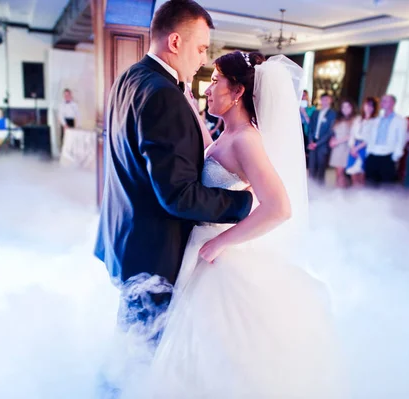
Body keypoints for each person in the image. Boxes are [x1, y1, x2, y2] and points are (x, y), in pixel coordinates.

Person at [140, 51, 344, 399]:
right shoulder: (229, 133)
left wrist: (222, 243)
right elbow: (214, 155)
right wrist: (189, 104)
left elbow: (279, 207)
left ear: (236, 93)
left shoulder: (248, 140)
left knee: (215, 351)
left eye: (215, 80)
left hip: (218, 253)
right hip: (200, 246)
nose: (208, 88)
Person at [94, 0, 253, 342]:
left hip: (125, 236)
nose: (202, 60)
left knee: (130, 344)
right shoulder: (164, 95)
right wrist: (244, 204)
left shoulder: (129, 76)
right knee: (146, 355)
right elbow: (179, 196)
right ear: (175, 42)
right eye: (199, 48)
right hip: (153, 253)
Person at [365, 94, 407, 185]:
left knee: (386, 186)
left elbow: (401, 139)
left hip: (388, 155)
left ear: (393, 103)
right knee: (370, 184)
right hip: (373, 154)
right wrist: (368, 152)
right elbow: (370, 137)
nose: (382, 103)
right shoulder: (377, 119)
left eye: (385, 101)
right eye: (382, 100)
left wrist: (396, 156)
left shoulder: (400, 120)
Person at [346, 96, 378, 186]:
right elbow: (352, 134)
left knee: (362, 175)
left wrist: (357, 148)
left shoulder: (375, 121)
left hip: (364, 148)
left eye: (371, 106)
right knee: (353, 174)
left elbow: (370, 138)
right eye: (367, 105)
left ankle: (361, 196)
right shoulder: (358, 119)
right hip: (354, 146)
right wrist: (352, 147)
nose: (368, 108)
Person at [307, 93, 337, 184]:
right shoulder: (315, 112)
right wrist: (311, 141)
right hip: (313, 142)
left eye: (327, 100)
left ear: (330, 101)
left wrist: (317, 143)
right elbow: (310, 128)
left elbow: (330, 132)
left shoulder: (333, 114)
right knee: (311, 168)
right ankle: (310, 190)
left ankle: (320, 190)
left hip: (323, 144)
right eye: (323, 99)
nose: (324, 102)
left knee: (321, 168)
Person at [329, 98, 357, 188]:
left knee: (342, 173)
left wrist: (337, 142)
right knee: (337, 172)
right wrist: (332, 140)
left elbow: (351, 135)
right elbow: (334, 133)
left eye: (348, 107)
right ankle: (338, 191)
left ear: (352, 108)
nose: (345, 109)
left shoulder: (354, 120)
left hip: (346, 148)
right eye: (343, 107)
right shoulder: (338, 120)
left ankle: (341, 193)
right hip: (337, 148)